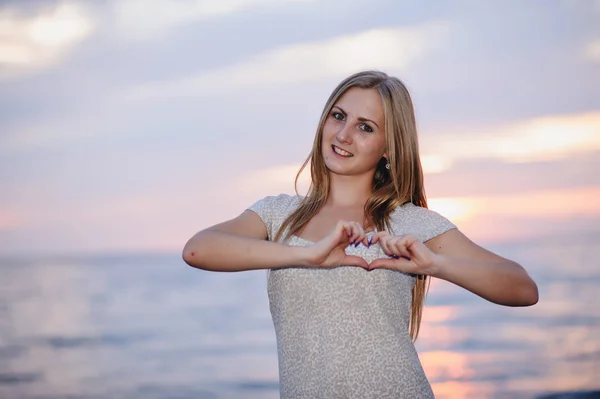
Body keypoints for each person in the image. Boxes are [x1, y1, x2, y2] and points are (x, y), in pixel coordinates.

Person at [182, 70, 539, 399]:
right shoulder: (279, 214)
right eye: (338, 116)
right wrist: (306, 255)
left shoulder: (412, 223)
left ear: (388, 147)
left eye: (365, 127)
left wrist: (436, 264)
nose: (343, 134)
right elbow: (198, 250)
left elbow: (523, 288)